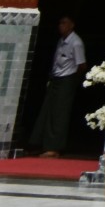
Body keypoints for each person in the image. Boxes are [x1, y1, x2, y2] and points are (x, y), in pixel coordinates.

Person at [29, 17, 85, 157]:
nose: (61, 26)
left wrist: (71, 80)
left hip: (67, 79)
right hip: (56, 79)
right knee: (47, 111)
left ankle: (54, 147)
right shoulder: (61, 41)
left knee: (59, 114)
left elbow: (81, 65)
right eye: (59, 23)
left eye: (64, 23)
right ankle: (40, 144)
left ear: (72, 25)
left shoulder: (76, 43)